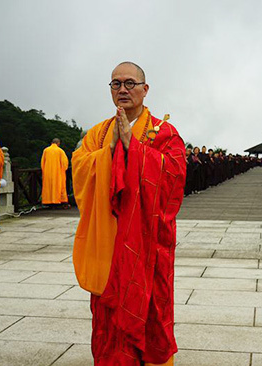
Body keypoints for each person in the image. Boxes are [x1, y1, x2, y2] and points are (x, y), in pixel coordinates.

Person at [71, 62, 186, 366]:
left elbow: (174, 179)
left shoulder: (165, 133)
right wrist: (107, 152)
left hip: (147, 244)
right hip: (109, 244)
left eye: (130, 83)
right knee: (109, 319)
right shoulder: (98, 133)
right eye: (116, 84)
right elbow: (80, 169)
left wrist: (132, 147)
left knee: (151, 312)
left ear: (145, 90)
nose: (123, 89)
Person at [41, 138, 69, 208]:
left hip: (48, 173)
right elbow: (65, 163)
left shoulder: (46, 150)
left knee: (48, 187)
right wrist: (64, 169)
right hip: (58, 173)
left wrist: (44, 171)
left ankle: (48, 201)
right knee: (59, 187)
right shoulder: (60, 151)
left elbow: (42, 163)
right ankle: (58, 201)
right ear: (58, 143)